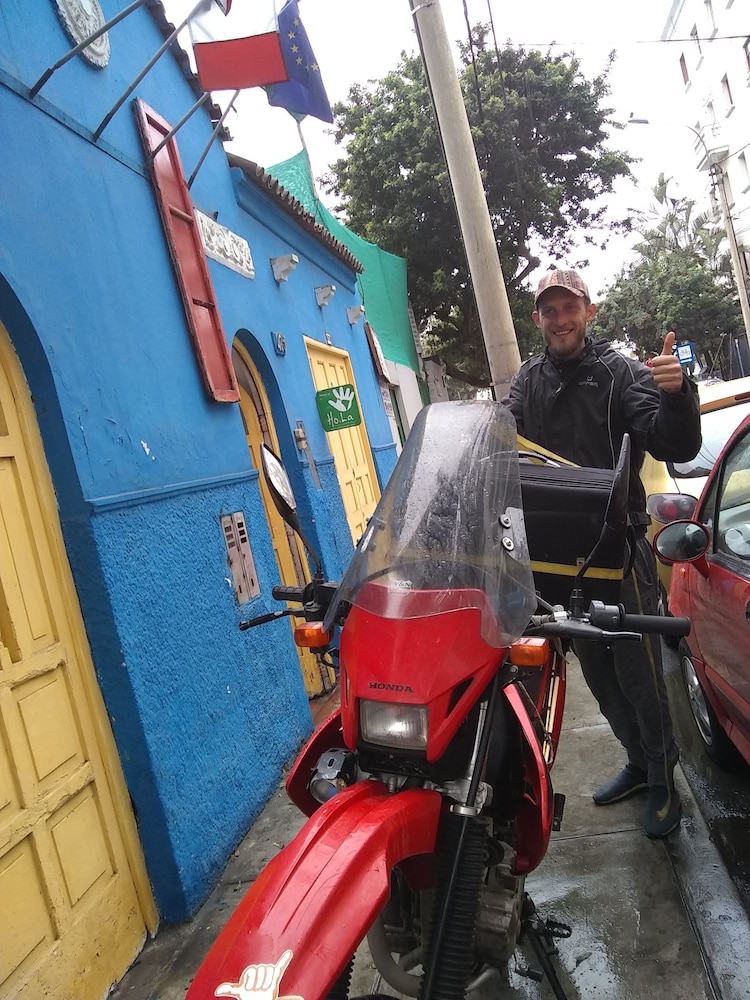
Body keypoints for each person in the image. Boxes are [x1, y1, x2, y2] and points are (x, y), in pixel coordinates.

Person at [503, 268, 701, 839]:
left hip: (619, 550)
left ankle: (663, 778)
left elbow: (673, 442)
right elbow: (500, 439)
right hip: (559, 559)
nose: (561, 319)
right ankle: (638, 762)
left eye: (571, 308)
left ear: (590, 313)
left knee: (639, 674)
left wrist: (677, 395)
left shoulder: (621, 373)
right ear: (537, 319)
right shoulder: (528, 380)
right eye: (550, 310)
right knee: (598, 674)